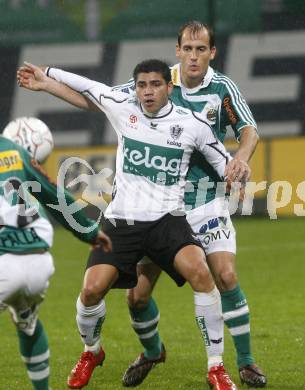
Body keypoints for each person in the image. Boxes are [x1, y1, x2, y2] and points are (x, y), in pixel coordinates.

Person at [17, 59, 242, 390]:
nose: (147, 91)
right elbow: (85, 85)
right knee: (91, 291)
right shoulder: (123, 106)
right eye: (141, 85)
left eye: (154, 85)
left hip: (168, 220)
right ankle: (92, 352)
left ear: (169, 87)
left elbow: (223, 162)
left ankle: (216, 367)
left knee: (201, 275)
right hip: (122, 220)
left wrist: (237, 170)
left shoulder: (192, 124)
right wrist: (46, 78)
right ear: (135, 87)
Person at [114, 21, 266, 389]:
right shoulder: (160, 83)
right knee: (136, 296)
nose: (194, 56)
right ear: (177, 50)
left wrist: (240, 158)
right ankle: (153, 351)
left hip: (206, 201)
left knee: (226, 277)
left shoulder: (222, 88)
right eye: (188, 49)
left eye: (201, 49)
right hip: (160, 208)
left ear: (212, 53)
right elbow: (101, 96)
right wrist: (50, 83)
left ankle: (245, 362)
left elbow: (249, 129)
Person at [0, 126, 111, 390]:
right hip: (37, 260)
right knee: (27, 323)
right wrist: (90, 231)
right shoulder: (14, 151)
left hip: (4, 256)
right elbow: (53, 195)